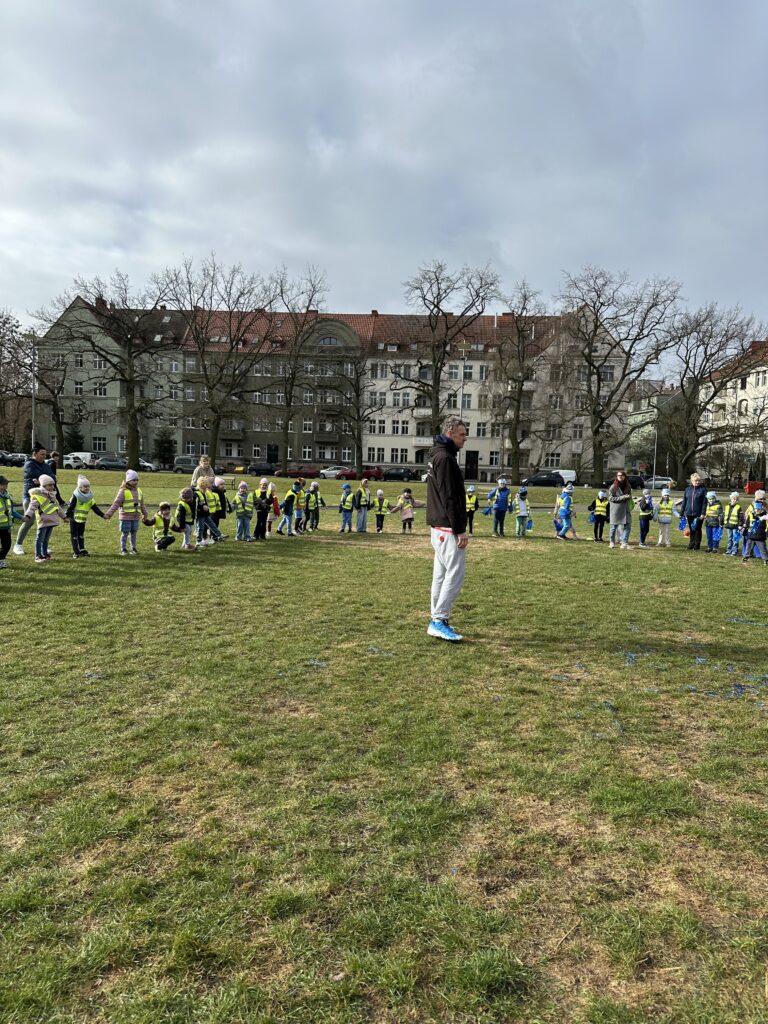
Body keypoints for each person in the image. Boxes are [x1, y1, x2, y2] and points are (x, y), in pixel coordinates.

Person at [426, 416, 469, 642]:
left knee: (441, 575)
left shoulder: (440, 455)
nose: (465, 439)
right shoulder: (444, 458)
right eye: (462, 435)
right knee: (455, 574)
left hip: (440, 526)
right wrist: (459, 529)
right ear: (450, 433)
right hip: (446, 527)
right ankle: (439, 620)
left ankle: (437, 619)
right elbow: (449, 496)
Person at [13, 444, 49, 556]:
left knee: (43, 521)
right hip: (30, 497)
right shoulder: (29, 464)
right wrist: (45, 479)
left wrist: (42, 480)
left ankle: (42, 546)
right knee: (29, 520)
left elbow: (52, 477)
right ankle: (18, 545)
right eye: (42, 454)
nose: (44, 456)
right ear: (34, 454)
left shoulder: (45, 465)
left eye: (45, 454)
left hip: (43, 497)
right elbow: (39, 476)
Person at [23, 474, 67, 562]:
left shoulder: (52, 495)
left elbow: (57, 507)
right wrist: (27, 515)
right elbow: (32, 507)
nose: (52, 487)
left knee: (46, 539)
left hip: (52, 520)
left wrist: (64, 517)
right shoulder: (38, 496)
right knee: (40, 539)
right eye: (49, 485)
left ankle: (45, 554)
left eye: (53, 485)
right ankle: (38, 555)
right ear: (43, 485)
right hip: (43, 520)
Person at [104, 469, 149, 555]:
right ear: (128, 481)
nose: (135, 482)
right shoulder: (123, 491)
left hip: (135, 517)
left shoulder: (139, 491)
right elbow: (116, 503)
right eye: (133, 480)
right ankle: (123, 549)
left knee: (134, 533)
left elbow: (142, 504)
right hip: (125, 517)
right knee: (125, 533)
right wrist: (109, 514)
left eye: (137, 480)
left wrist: (145, 514)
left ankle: (133, 548)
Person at [66, 474, 105, 558]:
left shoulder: (90, 497)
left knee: (81, 535)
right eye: (85, 486)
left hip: (82, 519)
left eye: (88, 486)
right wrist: (66, 517)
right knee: (74, 536)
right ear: (80, 487)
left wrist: (103, 515)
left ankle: (82, 549)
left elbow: (94, 507)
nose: (87, 488)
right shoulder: (76, 496)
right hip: (74, 519)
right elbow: (71, 507)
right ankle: (76, 551)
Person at [0, 474, 24, 569]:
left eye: (6, 484)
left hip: (6, 526)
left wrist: (21, 517)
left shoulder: (7, 496)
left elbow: (11, 510)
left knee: (7, 545)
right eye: (3, 484)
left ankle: (1, 559)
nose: (6, 486)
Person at [679, 472, 707, 551]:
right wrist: (682, 512)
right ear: (692, 481)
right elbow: (684, 501)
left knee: (697, 528)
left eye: (698, 481)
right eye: (695, 481)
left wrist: (703, 513)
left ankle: (696, 545)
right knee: (691, 529)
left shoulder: (703, 490)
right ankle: (691, 543)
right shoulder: (687, 490)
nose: (697, 482)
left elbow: (704, 503)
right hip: (689, 513)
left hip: (698, 513)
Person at [193, 477, 223, 545]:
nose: (207, 486)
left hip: (205, 513)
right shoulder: (196, 493)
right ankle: (198, 541)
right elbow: (196, 503)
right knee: (200, 528)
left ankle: (219, 535)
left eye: (207, 484)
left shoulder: (204, 492)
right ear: (201, 484)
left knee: (212, 524)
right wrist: (202, 506)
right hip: (200, 514)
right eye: (205, 484)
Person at [742, 490, 768, 565]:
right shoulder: (752, 505)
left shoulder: (766, 506)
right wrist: (745, 525)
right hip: (752, 530)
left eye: (764, 499)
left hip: (761, 531)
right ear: (756, 498)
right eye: (760, 499)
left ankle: (764, 558)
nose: (762, 500)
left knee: (762, 546)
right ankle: (747, 556)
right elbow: (747, 515)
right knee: (749, 545)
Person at [608, 470, 633, 549]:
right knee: (613, 527)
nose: (620, 477)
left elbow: (629, 495)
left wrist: (629, 497)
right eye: (619, 475)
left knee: (628, 526)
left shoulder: (628, 486)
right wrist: (622, 497)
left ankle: (624, 543)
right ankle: (612, 542)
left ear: (624, 476)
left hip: (625, 509)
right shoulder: (613, 486)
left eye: (622, 475)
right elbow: (610, 498)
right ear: (617, 477)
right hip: (616, 510)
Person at [174, 487, 198, 551]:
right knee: (187, 530)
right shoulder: (182, 505)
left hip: (189, 519)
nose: (185, 500)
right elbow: (181, 517)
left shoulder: (192, 500)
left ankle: (184, 545)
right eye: (184, 498)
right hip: (182, 520)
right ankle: (187, 545)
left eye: (187, 498)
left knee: (189, 531)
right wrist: (182, 527)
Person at [723, 491, 743, 557]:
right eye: (733, 498)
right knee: (729, 539)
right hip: (728, 526)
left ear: (737, 500)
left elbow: (741, 517)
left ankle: (734, 551)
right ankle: (729, 550)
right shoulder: (727, 507)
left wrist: (740, 525)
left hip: (735, 526)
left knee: (735, 539)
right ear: (731, 498)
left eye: (736, 499)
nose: (734, 500)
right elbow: (724, 515)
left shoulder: (738, 507)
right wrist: (722, 523)